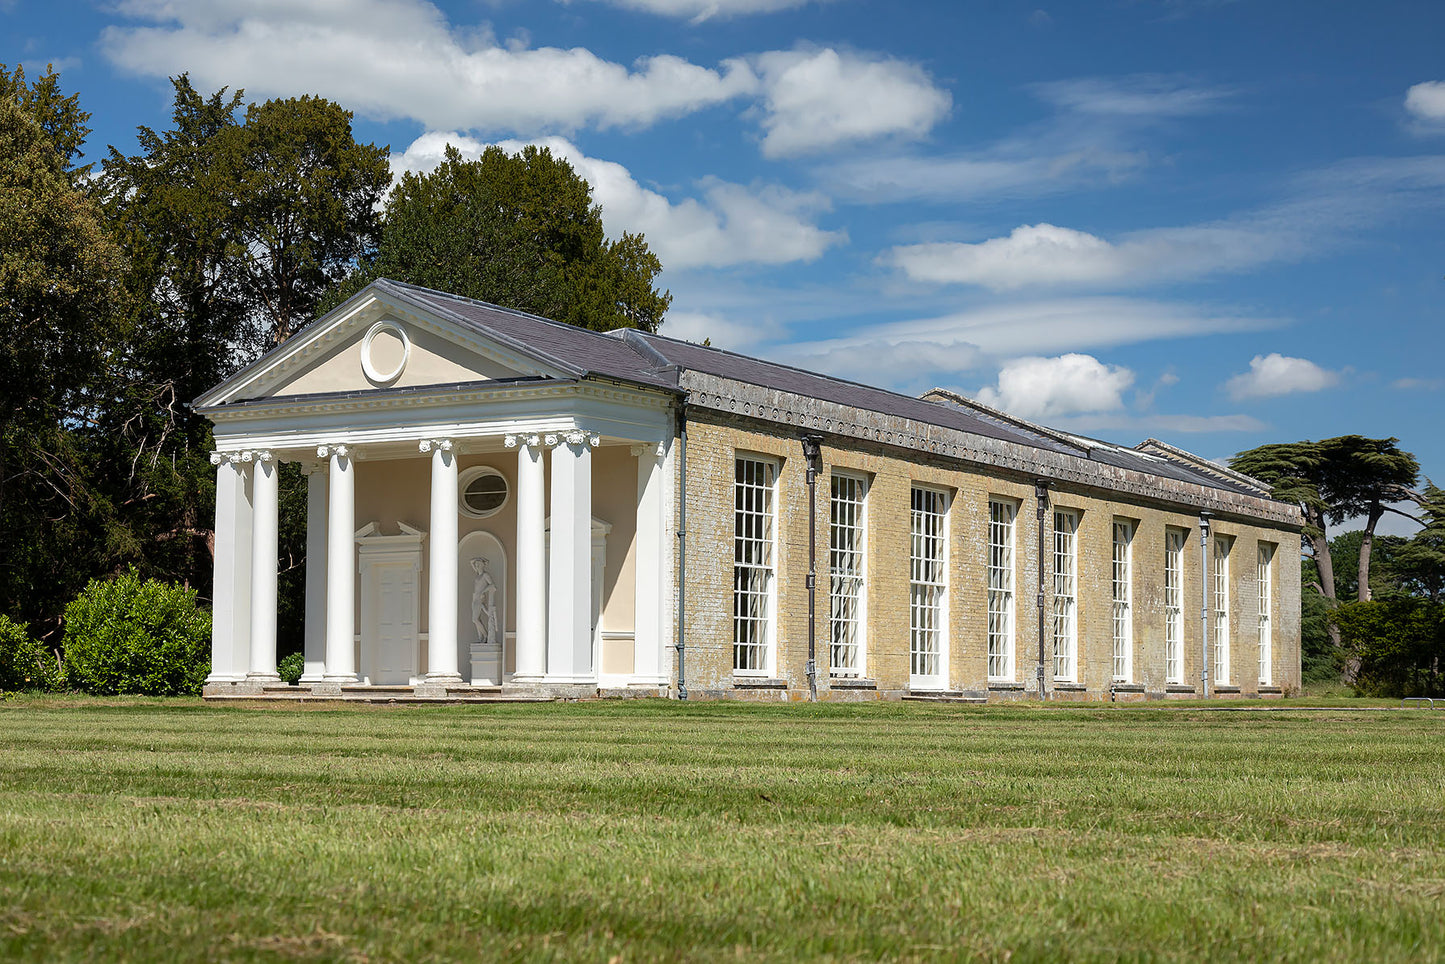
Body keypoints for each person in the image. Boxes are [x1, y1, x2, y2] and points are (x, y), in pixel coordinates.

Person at [470, 557, 498, 644]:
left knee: (475, 619)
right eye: (476, 565)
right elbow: (471, 562)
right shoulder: (478, 575)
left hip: (480, 598)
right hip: (474, 598)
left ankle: (485, 635)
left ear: (482, 565)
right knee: (477, 619)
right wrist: (476, 560)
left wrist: (483, 591)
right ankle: (481, 638)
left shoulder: (485, 575)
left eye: (478, 564)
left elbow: (492, 585)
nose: (476, 566)